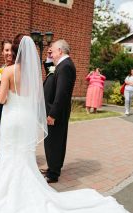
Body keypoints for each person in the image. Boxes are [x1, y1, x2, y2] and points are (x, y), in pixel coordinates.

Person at [0, 36, 133, 213]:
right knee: (23, 157)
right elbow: (34, 98)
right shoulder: (32, 74)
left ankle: (6, 196)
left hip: (11, 119)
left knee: (9, 154)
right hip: (25, 119)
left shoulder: (7, 72)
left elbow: (1, 98)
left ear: (14, 53)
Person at [43, 40, 76, 183]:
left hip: (56, 112)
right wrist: (49, 59)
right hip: (56, 110)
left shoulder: (65, 66)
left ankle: (53, 173)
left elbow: (62, 93)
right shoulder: (63, 65)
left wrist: (52, 114)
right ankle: (53, 167)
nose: (52, 54)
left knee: (54, 142)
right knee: (54, 141)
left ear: (60, 51)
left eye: (54, 51)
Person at [0, 39, 13, 156]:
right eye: (6, 50)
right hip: (2, 105)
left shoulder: (15, 68)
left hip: (13, 106)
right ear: (2, 52)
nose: (9, 53)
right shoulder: (1, 69)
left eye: (11, 50)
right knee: (2, 133)